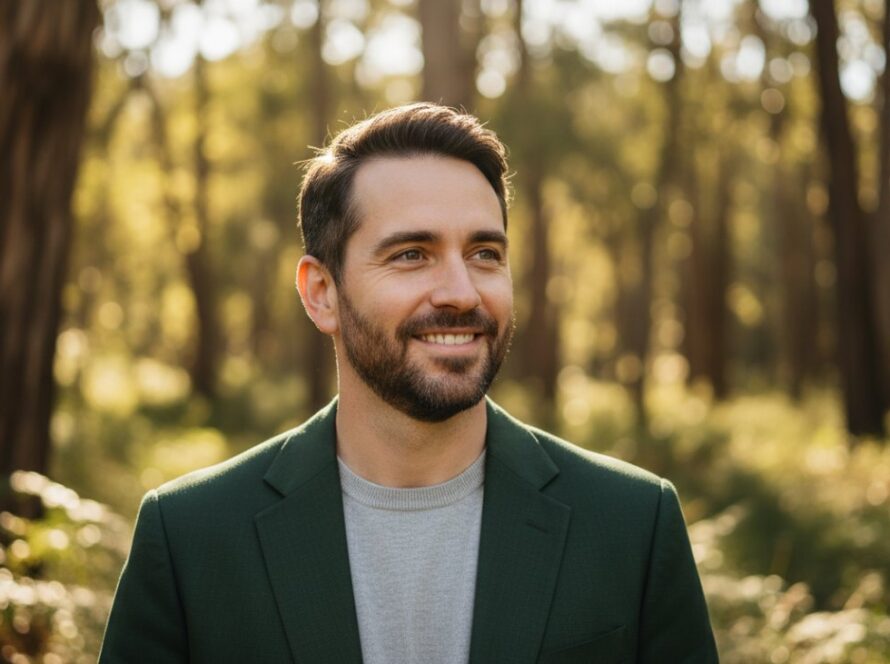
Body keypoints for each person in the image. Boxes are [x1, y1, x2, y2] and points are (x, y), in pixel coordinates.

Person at [100, 103, 718, 663]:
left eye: (484, 254)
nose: (461, 292)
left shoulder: (633, 524)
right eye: (411, 255)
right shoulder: (190, 538)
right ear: (322, 293)